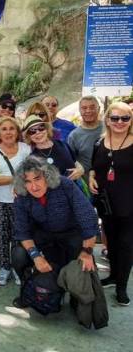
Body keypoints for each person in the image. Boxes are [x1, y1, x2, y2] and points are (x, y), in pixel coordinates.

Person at [11, 156, 98, 308]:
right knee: (18, 254)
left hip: (71, 233)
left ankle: (76, 294)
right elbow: (22, 230)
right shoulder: (22, 196)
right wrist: (36, 256)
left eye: (37, 179)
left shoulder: (65, 185)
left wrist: (87, 251)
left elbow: (87, 217)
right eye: (28, 181)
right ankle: (26, 290)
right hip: (43, 236)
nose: (34, 186)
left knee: (81, 257)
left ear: (47, 176)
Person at [89, 102, 133, 306]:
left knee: (126, 245)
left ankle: (122, 287)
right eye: (115, 118)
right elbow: (93, 166)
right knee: (112, 243)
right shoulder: (100, 143)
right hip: (106, 204)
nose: (120, 122)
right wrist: (91, 177)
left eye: (125, 118)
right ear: (107, 120)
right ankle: (114, 275)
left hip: (129, 205)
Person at [0, 117, 31, 285]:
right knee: (2, 235)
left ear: (17, 132)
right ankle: (4, 266)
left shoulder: (26, 149)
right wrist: (17, 177)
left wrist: (7, 178)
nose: (8, 132)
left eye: (12, 128)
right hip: (0, 200)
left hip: (22, 200)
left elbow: (31, 173)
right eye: (4, 129)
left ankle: (18, 267)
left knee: (20, 235)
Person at [23, 114, 84, 180]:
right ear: (28, 136)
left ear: (46, 129)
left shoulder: (61, 143)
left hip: (78, 186)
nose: (38, 132)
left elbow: (75, 162)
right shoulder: (32, 159)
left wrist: (80, 169)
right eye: (32, 131)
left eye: (41, 128)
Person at [67, 96, 103, 178]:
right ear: (79, 110)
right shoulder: (74, 136)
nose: (88, 111)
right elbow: (71, 161)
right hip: (87, 182)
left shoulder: (108, 128)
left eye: (92, 107)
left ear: (99, 108)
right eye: (84, 108)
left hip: (111, 178)